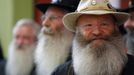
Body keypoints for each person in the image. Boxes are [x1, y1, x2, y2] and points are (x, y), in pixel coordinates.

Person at [52, 0, 134, 75]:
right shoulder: (62, 72)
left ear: (115, 27)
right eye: (88, 26)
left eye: (104, 24)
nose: (97, 32)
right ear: (77, 31)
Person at [34, 0, 80, 75]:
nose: (44, 23)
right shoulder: (38, 58)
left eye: (52, 18)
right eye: (44, 17)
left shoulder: (81, 61)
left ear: (71, 23)